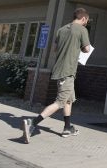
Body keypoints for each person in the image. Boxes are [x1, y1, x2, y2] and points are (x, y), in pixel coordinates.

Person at [22, 8, 91, 144]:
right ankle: (33, 122)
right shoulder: (82, 30)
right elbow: (87, 48)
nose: (85, 24)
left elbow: (55, 49)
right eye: (86, 22)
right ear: (83, 19)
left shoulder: (61, 30)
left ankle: (67, 127)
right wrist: (80, 48)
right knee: (60, 102)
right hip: (68, 71)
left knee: (68, 100)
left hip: (59, 69)